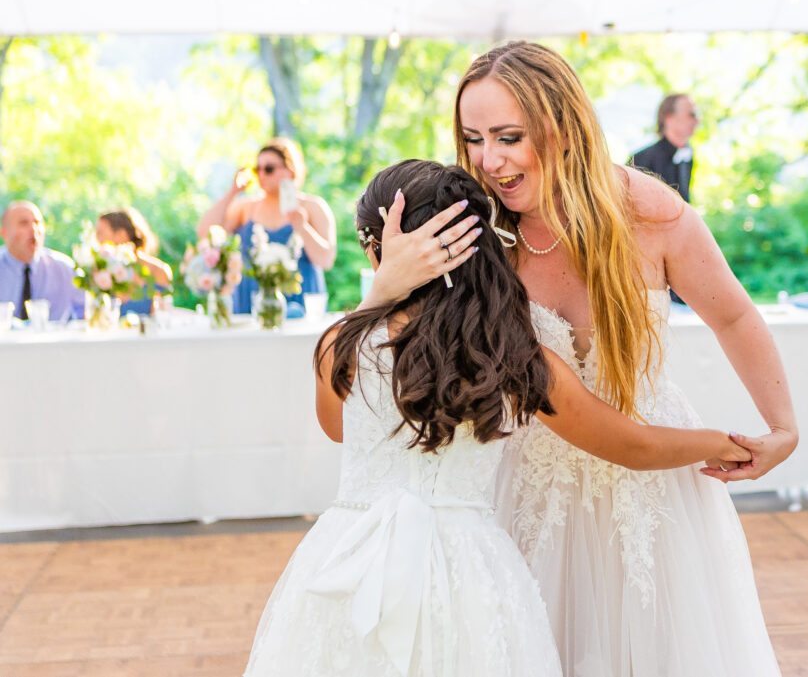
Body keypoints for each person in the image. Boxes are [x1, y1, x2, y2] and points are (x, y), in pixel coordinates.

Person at [365, 42, 797, 676]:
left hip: (653, 491)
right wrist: (383, 285)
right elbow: (387, 358)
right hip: (524, 486)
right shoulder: (476, 231)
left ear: (561, 125)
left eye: (509, 136)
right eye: (474, 138)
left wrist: (782, 425)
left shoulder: (653, 215)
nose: (490, 160)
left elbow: (734, 315)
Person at [243, 160, 754, 676]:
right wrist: (720, 442)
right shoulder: (509, 355)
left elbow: (337, 427)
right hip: (468, 572)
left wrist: (375, 301)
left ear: (381, 248)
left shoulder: (343, 342)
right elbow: (631, 445)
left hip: (348, 561)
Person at [197, 138, 335, 316]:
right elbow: (204, 231)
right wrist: (232, 192)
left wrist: (302, 227)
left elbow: (326, 260)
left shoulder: (313, 207)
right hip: (252, 300)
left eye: (269, 169)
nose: (261, 174)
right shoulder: (246, 208)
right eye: (257, 169)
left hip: (300, 301)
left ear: (290, 171)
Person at [0, 200, 83, 321]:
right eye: (24, 223)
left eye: (37, 223)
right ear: (4, 233)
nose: (34, 229)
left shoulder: (65, 269)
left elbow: (91, 312)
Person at [95, 207, 173, 315]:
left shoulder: (158, 271)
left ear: (122, 235)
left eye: (100, 233)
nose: (97, 239)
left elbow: (162, 317)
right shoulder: (100, 272)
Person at [629, 92, 698, 202]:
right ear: (669, 119)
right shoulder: (641, 160)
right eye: (691, 115)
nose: (697, 120)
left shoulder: (687, 157)